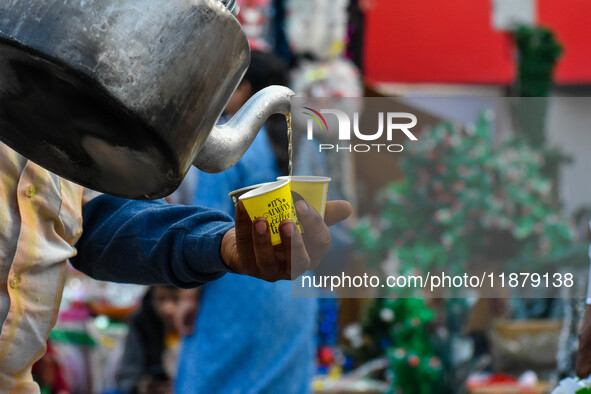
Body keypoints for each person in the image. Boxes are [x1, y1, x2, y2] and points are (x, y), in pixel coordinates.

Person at [0, 137, 351, 392]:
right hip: (272, 290)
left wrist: (218, 244)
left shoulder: (44, 123)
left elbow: (92, 222)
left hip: (238, 279)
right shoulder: (305, 145)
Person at [173, 50, 319, 394]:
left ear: (247, 91)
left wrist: (187, 301)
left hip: (237, 287)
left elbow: (205, 229)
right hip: (295, 290)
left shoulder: (224, 145)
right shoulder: (308, 147)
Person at [116, 286, 182, 394]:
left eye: (176, 299)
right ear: (151, 298)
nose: (168, 308)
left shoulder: (199, 325)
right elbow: (128, 378)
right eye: (161, 299)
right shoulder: (142, 323)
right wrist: (140, 387)